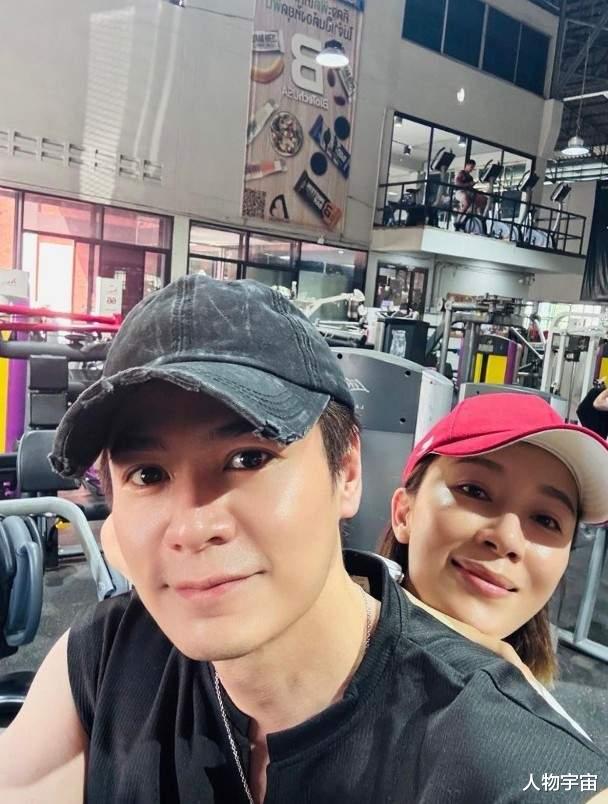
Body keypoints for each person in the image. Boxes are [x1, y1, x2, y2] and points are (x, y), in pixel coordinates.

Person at [1, 276, 606, 803]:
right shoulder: (105, 659)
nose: (190, 528)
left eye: (248, 458)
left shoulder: (504, 756)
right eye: (148, 475)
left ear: (347, 473)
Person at [379, 392, 608, 798]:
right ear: (404, 513)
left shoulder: (543, 733)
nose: (507, 538)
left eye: (545, 520)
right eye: (475, 490)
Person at [454, 158, 477, 227]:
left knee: (475, 204)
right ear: (467, 165)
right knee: (466, 202)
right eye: (471, 167)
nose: (472, 169)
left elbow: (469, 187)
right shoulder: (461, 173)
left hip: (467, 193)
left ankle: (464, 221)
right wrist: (469, 184)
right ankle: (457, 221)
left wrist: (472, 186)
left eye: (473, 167)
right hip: (459, 192)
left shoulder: (470, 178)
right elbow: (457, 184)